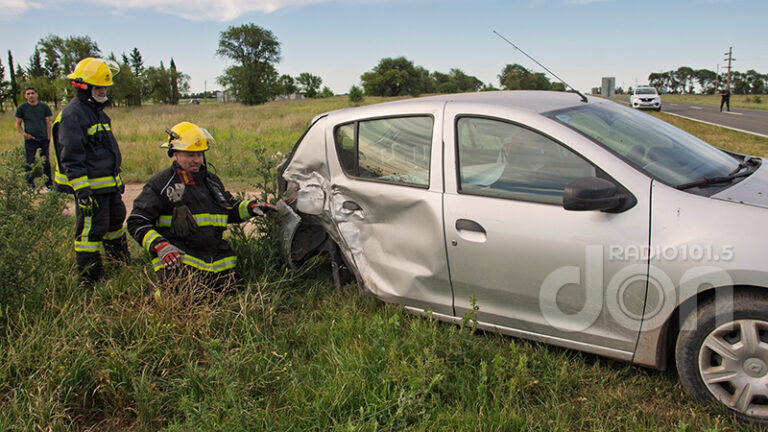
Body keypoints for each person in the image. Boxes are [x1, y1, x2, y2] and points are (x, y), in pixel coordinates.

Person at [127, 122, 275, 293]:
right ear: (174, 153)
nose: (197, 160)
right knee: (177, 300)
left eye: (199, 154)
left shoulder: (211, 181)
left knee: (232, 297)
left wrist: (251, 208)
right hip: (181, 262)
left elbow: (229, 208)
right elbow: (137, 221)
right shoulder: (161, 184)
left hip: (216, 262)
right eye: (190, 155)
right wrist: (160, 245)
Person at [52, 57, 129, 283]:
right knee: (91, 231)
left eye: (105, 86)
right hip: (90, 189)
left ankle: (121, 263)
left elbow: (106, 152)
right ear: (82, 86)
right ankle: (92, 279)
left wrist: (117, 179)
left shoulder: (98, 113)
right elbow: (71, 156)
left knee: (115, 222)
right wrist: (82, 191)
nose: (103, 91)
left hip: (107, 186)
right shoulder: (73, 115)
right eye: (98, 87)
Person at [15, 86, 54, 190]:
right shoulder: (22, 108)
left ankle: (48, 185)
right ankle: (30, 186)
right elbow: (18, 124)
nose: (30, 95)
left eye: (32, 93)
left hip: (43, 139)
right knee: (29, 163)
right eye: (28, 94)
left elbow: (48, 123)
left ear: (36, 94)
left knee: (45, 163)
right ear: (25, 96)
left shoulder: (44, 107)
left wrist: (48, 139)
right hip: (30, 140)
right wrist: (24, 134)